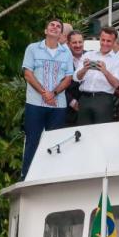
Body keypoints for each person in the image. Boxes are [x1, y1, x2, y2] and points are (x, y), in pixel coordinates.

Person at [21, 19, 75, 179]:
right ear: (45, 30)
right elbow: (28, 74)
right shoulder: (32, 48)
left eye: (58, 26)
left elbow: (68, 78)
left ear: (61, 34)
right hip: (35, 103)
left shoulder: (66, 53)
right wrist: (45, 93)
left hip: (58, 105)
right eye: (52, 25)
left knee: (55, 141)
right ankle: (27, 175)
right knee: (33, 140)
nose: (55, 27)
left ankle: (52, 175)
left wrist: (54, 93)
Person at [74, 27, 119, 125]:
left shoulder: (118, 60)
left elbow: (116, 84)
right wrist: (84, 69)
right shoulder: (88, 55)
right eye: (103, 40)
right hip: (84, 98)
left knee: (102, 133)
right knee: (82, 132)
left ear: (114, 42)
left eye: (109, 41)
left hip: (104, 100)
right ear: (100, 39)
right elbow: (76, 77)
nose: (105, 43)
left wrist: (105, 71)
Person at [65, 30, 87, 126]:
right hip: (70, 111)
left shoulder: (91, 56)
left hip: (90, 106)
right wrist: (72, 102)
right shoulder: (62, 60)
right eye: (74, 42)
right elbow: (56, 85)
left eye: (80, 42)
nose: (78, 45)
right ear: (68, 44)